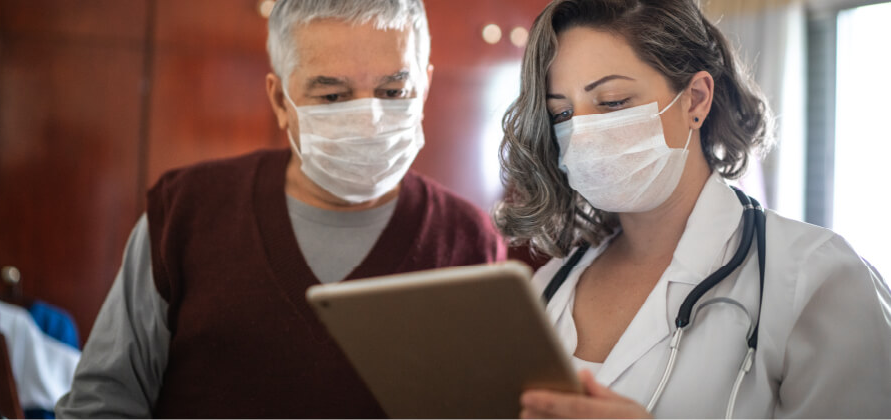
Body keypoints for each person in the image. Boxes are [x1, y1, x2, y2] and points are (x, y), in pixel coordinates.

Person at [55, 0, 506, 417]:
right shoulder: (185, 212)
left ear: (424, 87)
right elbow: (104, 401)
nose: (368, 119)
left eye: (392, 91)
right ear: (280, 101)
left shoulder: (468, 242)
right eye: (332, 97)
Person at [494, 0, 891, 418]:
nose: (584, 134)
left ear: (696, 100)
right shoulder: (549, 287)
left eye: (612, 102)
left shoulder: (817, 277)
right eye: (564, 113)